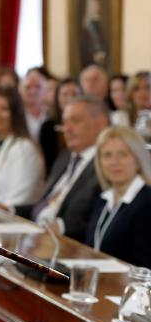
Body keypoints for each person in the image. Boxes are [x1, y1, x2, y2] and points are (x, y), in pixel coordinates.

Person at [26, 96, 109, 242]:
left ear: (101, 123)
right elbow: (45, 204)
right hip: (37, 235)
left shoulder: (106, 163)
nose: (67, 129)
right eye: (64, 123)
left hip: (67, 245)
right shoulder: (65, 157)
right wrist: (10, 210)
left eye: (75, 121)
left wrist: (61, 226)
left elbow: (98, 221)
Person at [85, 127, 151, 268]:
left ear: (138, 160)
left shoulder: (147, 203)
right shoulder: (102, 199)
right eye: (107, 155)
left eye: (123, 154)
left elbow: (144, 266)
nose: (114, 162)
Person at [0, 87, 44, 209]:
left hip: (12, 224)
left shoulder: (25, 149)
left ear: (15, 114)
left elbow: (18, 202)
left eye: (4, 109)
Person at [38, 77, 81, 173]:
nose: (70, 98)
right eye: (65, 94)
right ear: (57, 98)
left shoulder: (87, 126)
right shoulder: (48, 127)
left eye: (74, 94)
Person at [19, 69, 47, 142]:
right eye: (28, 87)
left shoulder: (52, 114)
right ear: (20, 91)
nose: (33, 92)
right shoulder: (16, 116)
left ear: (45, 91)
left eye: (38, 87)